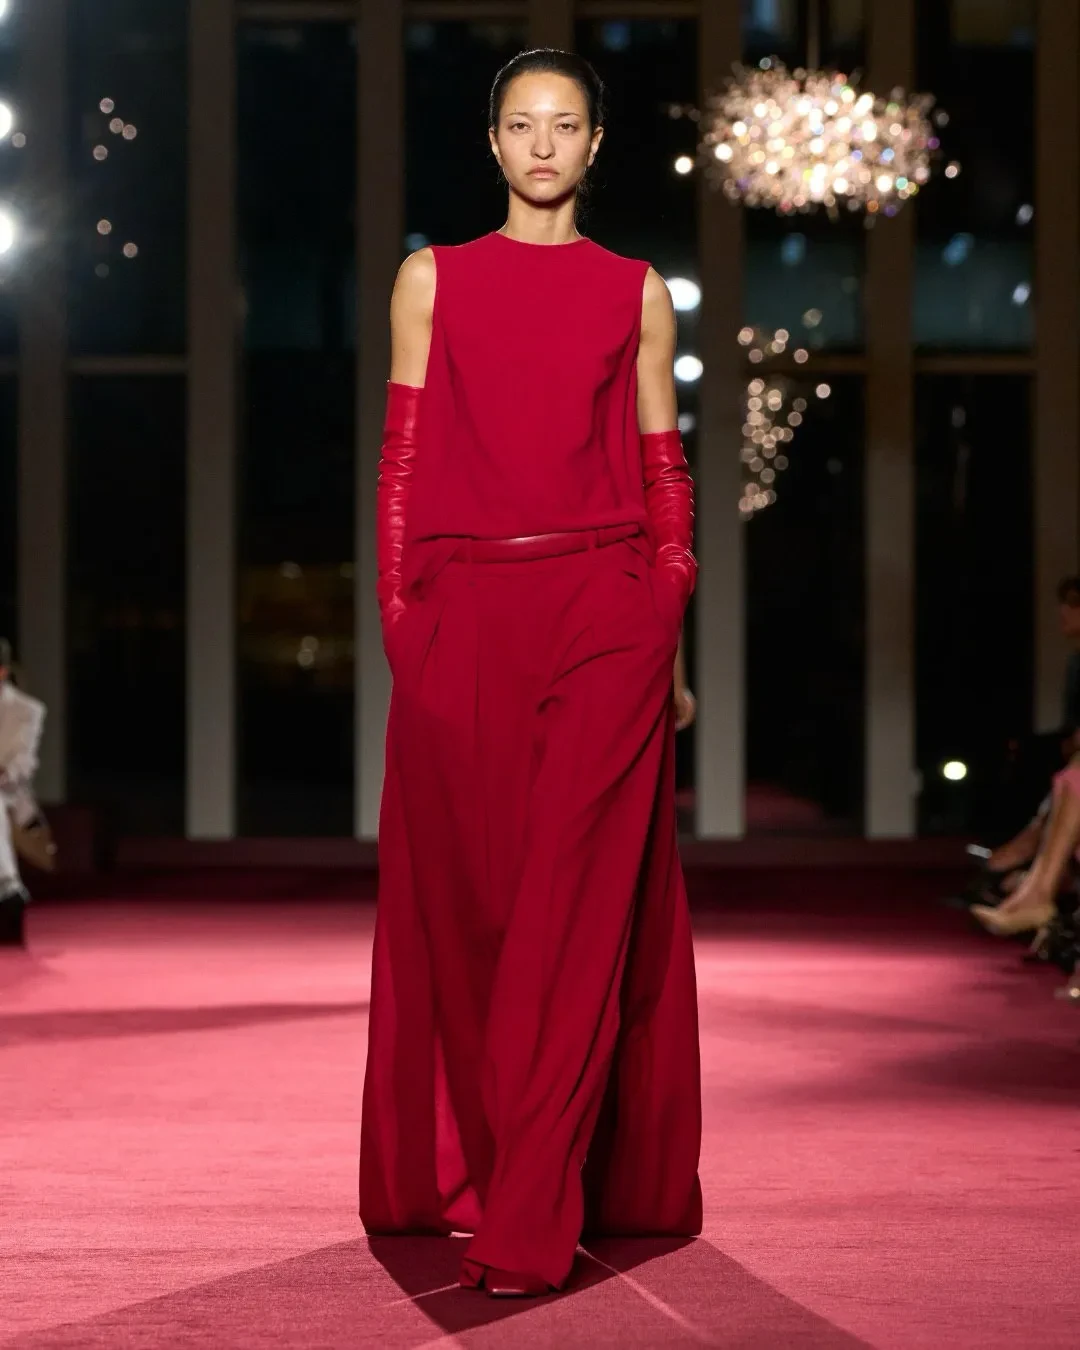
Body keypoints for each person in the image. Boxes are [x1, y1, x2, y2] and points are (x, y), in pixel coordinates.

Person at [359, 49, 703, 1297]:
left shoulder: (634, 290)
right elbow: (402, 465)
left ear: (595, 144)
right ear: (493, 141)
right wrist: (403, 622)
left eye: (565, 125)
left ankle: (526, 1218)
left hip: (606, 612)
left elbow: (663, 466)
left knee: (569, 913)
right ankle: (508, 1170)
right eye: (522, 124)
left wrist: (666, 606)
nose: (543, 144)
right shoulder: (433, 279)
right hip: (465, 617)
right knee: (483, 912)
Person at [0, 638, 46, 947]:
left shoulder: (27, 710)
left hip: (10, 793)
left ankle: (8, 888)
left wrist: (3, 775)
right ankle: (8, 889)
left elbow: (24, 763)